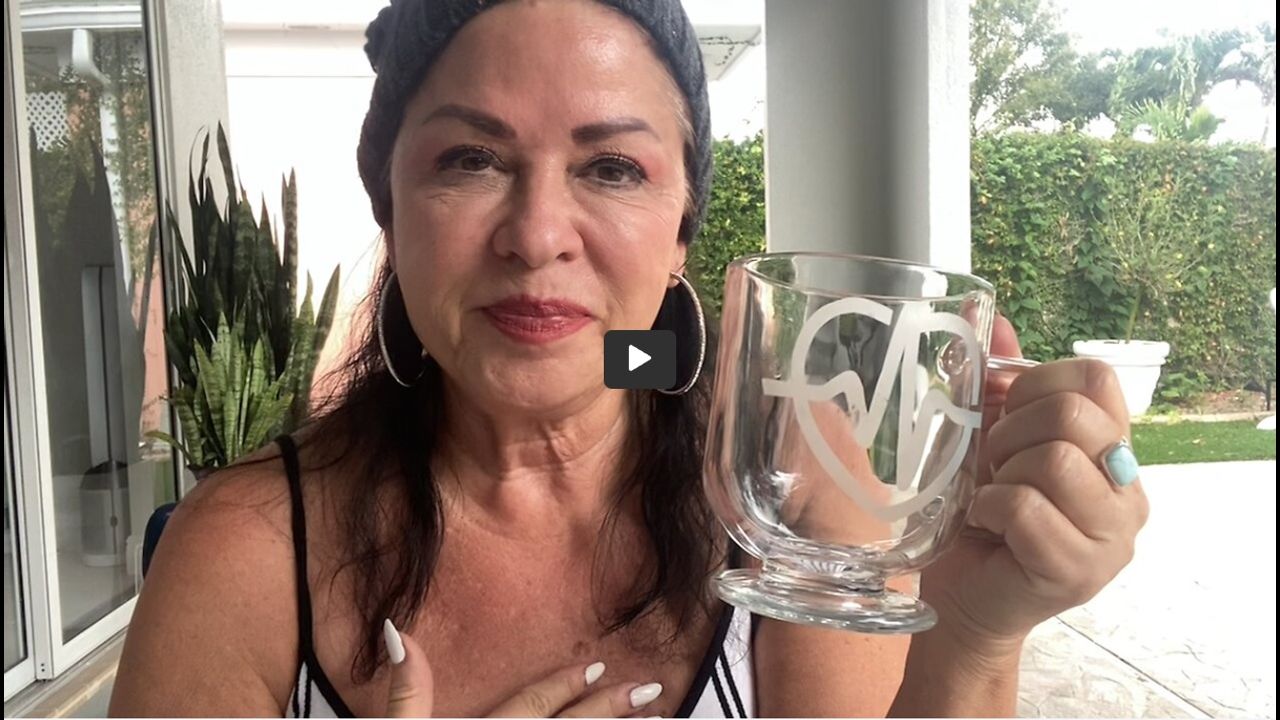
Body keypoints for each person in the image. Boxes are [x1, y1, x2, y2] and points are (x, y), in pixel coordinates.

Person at [109, 0, 1149, 716]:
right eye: (469, 159)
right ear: (391, 206)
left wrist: (972, 635)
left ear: (681, 231)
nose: (536, 235)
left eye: (610, 167)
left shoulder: (792, 478)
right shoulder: (242, 554)